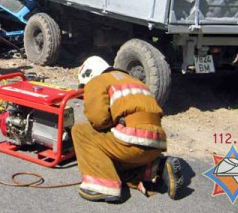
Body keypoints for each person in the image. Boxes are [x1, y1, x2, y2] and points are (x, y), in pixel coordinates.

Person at [72, 56, 184, 202]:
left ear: (89, 74)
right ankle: (157, 168)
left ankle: (103, 186)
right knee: (116, 164)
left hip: (132, 141)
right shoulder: (135, 81)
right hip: (156, 145)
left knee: (80, 130)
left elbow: (99, 120)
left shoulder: (98, 81)